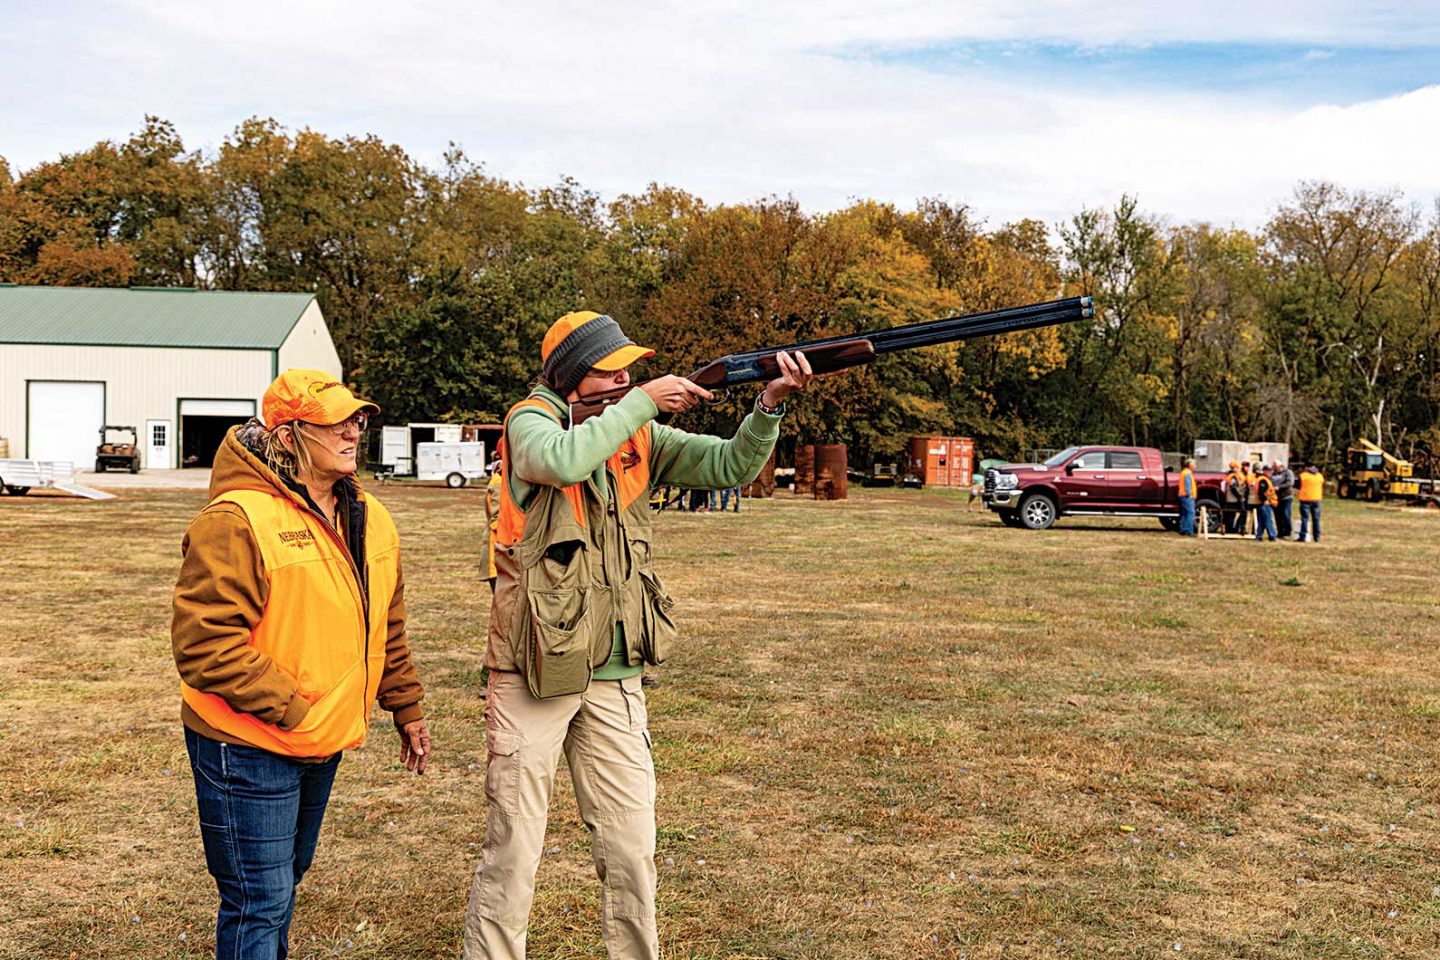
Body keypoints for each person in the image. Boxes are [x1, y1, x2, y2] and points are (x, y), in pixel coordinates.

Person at [463, 310, 819, 959]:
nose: (628, 377)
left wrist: (768, 405)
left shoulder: (637, 436)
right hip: (533, 667)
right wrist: (644, 403)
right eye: (611, 370)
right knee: (514, 848)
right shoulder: (531, 422)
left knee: (632, 849)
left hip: (613, 671)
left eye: (631, 369)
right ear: (573, 376)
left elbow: (731, 466)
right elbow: (560, 459)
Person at [171, 369, 429, 959]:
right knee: (258, 899)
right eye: (332, 423)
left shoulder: (370, 517)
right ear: (288, 437)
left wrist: (406, 708)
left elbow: (384, 624)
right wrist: (293, 705)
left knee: (283, 887)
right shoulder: (237, 520)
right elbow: (204, 644)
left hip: (320, 739)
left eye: (355, 420)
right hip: (249, 742)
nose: (351, 433)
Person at [1298, 461, 1324, 542]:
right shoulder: (1320, 476)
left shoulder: (1303, 475)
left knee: (1305, 518)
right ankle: (1317, 537)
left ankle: (1303, 536)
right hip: (1317, 499)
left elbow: (1298, 485)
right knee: (1316, 519)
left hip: (1305, 499)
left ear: (1306, 467)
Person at [1253, 464, 1278, 542]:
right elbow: (1261, 492)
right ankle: (1272, 536)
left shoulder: (1264, 479)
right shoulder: (1263, 480)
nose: (1270, 472)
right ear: (1265, 471)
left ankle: (1259, 536)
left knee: (1262, 521)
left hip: (1262, 503)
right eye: (1269, 471)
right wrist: (1265, 500)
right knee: (1268, 520)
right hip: (1264, 504)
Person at [1272, 459, 1296, 540]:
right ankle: (1280, 532)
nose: (1275, 469)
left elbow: (1290, 483)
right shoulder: (1273, 473)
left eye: (1277, 467)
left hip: (1286, 497)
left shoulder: (1288, 472)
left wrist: (1279, 487)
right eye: (1274, 467)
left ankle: (1287, 532)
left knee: (1286, 514)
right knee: (1278, 515)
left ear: (1281, 466)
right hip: (1276, 498)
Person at [1177, 457, 1198, 536]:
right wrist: (1190, 495)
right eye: (1194, 464)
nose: (1195, 466)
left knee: (1185, 513)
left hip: (1182, 495)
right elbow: (1188, 485)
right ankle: (1189, 530)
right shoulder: (1187, 473)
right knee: (1190, 513)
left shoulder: (1184, 472)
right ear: (1190, 465)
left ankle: (1183, 529)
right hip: (1187, 496)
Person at [1223, 461, 1244, 534]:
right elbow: (1233, 488)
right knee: (1231, 515)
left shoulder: (1230, 475)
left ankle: (1231, 529)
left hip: (1231, 499)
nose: (1239, 469)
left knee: (1231, 515)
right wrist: (1239, 496)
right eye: (1237, 467)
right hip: (1232, 499)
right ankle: (1230, 530)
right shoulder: (1233, 477)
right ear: (1234, 468)